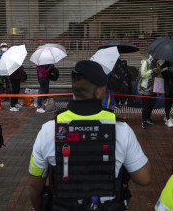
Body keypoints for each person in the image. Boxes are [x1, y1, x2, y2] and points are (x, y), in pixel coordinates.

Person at [28, 60, 151, 210]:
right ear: (98, 91)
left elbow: (34, 186)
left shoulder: (48, 130)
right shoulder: (121, 129)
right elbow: (144, 178)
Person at [138, 55, 161, 129]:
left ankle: (148, 118)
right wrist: (152, 71)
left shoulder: (157, 63)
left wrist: (159, 71)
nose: (157, 59)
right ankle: (144, 120)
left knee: (151, 104)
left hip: (154, 86)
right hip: (146, 87)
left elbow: (158, 73)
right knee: (146, 105)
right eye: (156, 58)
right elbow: (143, 74)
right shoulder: (146, 63)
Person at [160, 61, 173, 127]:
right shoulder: (164, 65)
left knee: (171, 102)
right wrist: (167, 71)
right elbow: (162, 74)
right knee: (167, 102)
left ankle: (167, 115)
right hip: (167, 87)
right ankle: (167, 118)